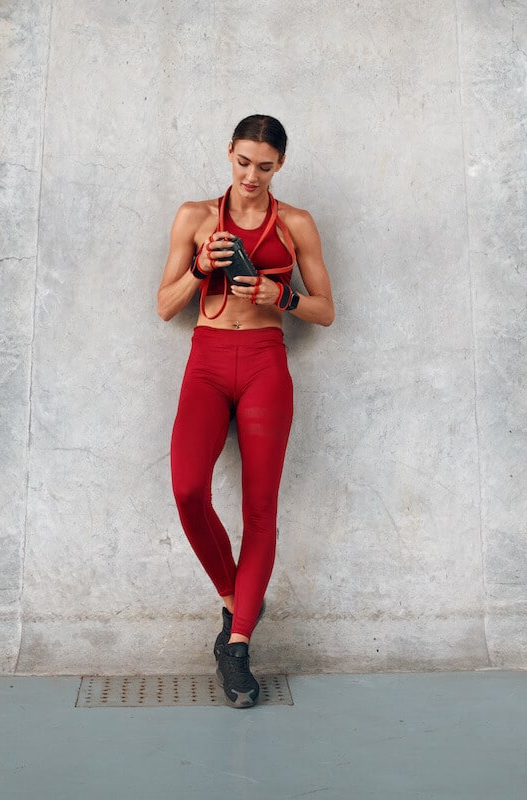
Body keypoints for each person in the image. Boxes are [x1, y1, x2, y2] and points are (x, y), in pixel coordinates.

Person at [156, 115, 335, 708]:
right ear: (229, 153)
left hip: (264, 363)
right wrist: (202, 267)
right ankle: (237, 596)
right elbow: (164, 306)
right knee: (187, 489)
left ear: (279, 165)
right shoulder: (195, 217)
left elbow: (325, 310)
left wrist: (278, 295)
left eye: (264, 166)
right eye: (243, 162)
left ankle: (236, 646)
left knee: (260, 509)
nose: (251, 176)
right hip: (207, 360)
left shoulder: (298, 223)